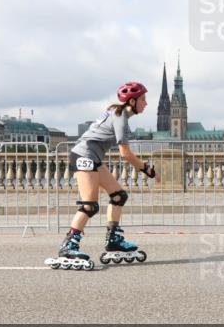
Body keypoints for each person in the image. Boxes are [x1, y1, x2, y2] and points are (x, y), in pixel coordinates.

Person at [46, 82, 160, 270]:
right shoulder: (120, 117)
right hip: (84, 156)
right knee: (89, 205)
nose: (146, 103)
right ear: (132, 101)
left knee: (118, 196)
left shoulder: (117, 112)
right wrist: (148, 170)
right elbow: (126, 154)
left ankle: (113, 239)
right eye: (143, 99)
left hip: (92, 158)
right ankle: (68, 245)